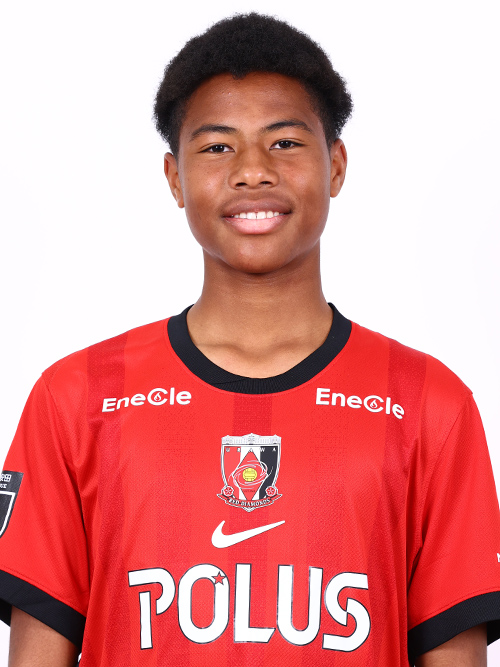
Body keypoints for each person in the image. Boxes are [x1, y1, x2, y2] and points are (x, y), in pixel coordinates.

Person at [0, 12, 499, 667]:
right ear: (175, 178)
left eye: (284, 142)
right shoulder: (76, 398)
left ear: (336, 165)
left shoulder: (430, 403)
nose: (253, 171)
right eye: (217, 147)